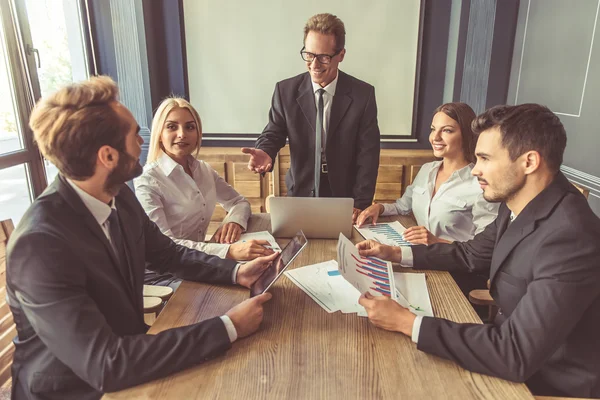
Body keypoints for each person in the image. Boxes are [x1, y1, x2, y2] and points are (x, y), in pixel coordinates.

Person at [6, 76, 279, 400]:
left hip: (132, 363)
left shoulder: (118, 195)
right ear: (108, 156)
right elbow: (105, 363)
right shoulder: (39, 246)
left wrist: (235, 272)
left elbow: (169, 255)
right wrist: (227, 327)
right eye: (135, 133)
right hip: (78, 390)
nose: (142, 140)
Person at [356, 104, 600, 398]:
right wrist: (396, 254)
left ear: (529, 162)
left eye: (485, 158)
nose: (476, 170)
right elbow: (469, 254)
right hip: (509, 357)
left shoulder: (570, 236)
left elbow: (515, 353)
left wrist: (408, 322)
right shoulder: (519, 205)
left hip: (545, 385)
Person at [241, 13, 380, 221]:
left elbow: (368, 155)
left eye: (323, 57)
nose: (314, 64)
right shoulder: (285, 90)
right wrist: (265, 151)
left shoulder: (363, 95)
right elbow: (274, 132)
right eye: (309, 54)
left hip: (345, 195)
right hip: (301, 190)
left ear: (341, 54)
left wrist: (360, 203)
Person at [134, 97, 274, 288]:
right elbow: (166, 247)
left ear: (198, 134)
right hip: (164, 274)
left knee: (266, 278)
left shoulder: (204, 170)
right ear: (160, 134)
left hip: (200, 263)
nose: (182, 134)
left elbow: (239, 202)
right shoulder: (148, 181)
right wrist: (229, 251)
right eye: (172, 127)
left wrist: (234, 220)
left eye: (190, 127)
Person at [357, 102, 499, 244]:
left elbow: (484, 247)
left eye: (447, 130)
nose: (435, 137)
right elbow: (402, 207)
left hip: (453, 263)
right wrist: (379, 208)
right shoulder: (427, 170)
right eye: (433, 129)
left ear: (467, 134)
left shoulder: (480, 184)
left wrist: (436, 241)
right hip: (419, 258)